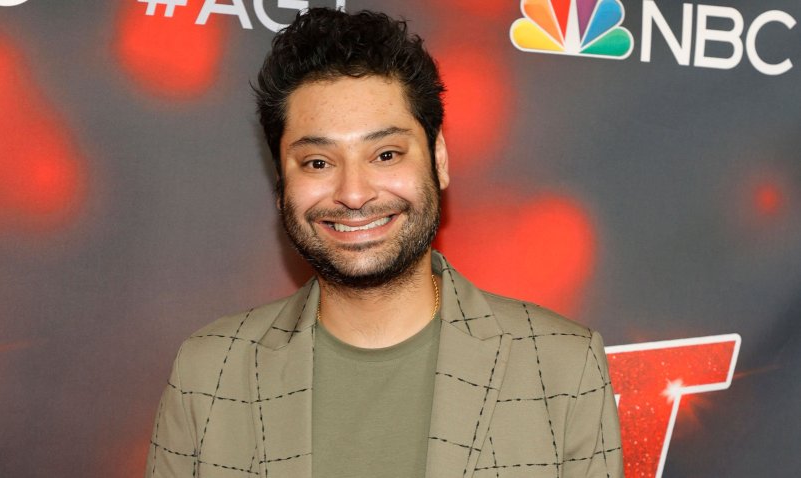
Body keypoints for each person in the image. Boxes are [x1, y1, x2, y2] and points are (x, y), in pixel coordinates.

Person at [145, 8, 623, 478]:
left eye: (386, 154)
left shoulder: (563, 368)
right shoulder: (208, 374)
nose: (354, 193)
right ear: (280, 184)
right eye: (317, 162)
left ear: (438, 160)